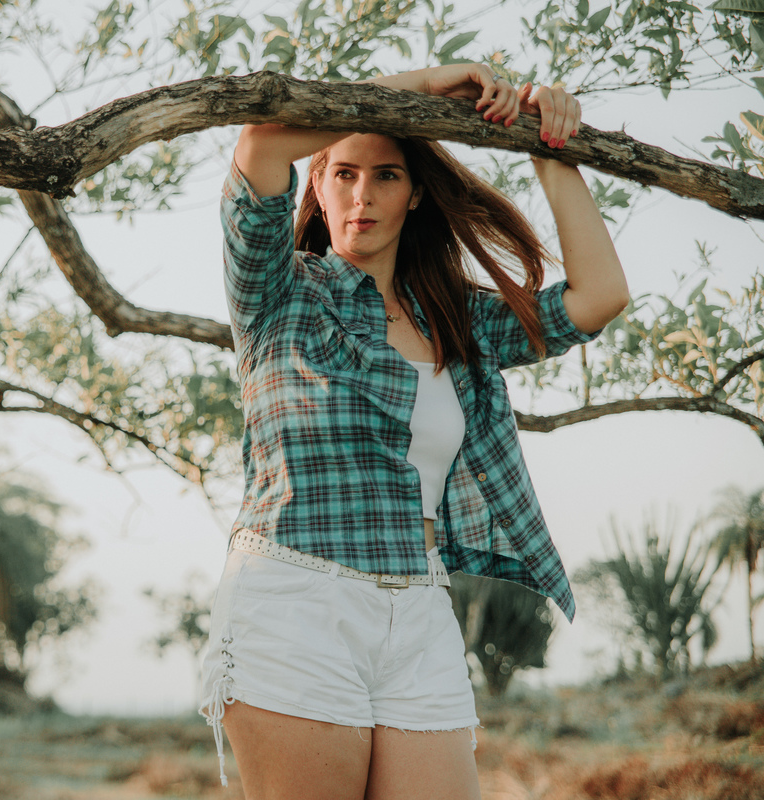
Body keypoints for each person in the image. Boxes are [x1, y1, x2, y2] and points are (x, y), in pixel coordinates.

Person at [197, 63, 629, 800]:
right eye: (342, 174)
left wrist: (550, 145)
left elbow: (599, 297)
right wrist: (425, 89)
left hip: (421, 611)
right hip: (296, 601)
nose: (361, 196)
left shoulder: (456, 321)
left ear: (417, 192)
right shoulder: (278, 293)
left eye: (387, 176)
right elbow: (261, 143)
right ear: (318, 187)